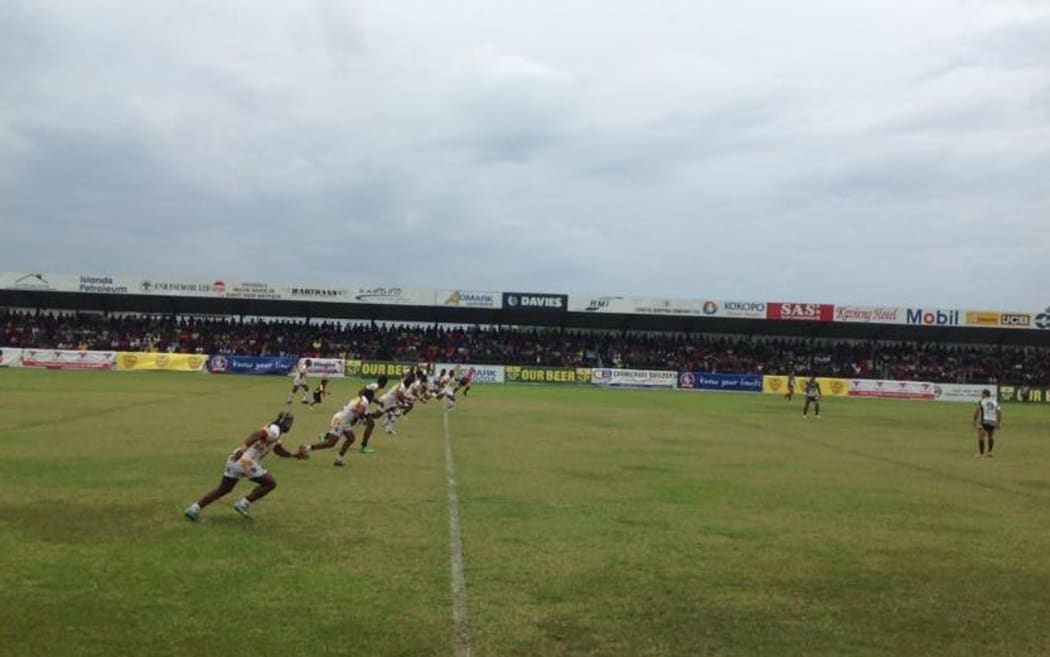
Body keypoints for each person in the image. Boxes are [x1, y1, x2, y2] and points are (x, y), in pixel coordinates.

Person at [184, 411, 302, 521]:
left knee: (223, 489)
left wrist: (294, 455)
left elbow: (278, 450)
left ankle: (194, 508)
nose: (289, 425)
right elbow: (257, 434)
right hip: (245, 461)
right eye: (288, 422)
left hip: (234, 460)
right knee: (270, 483)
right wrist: (243, 449)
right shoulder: (275, 430)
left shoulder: (276, 433)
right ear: (283, 422)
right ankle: (244, 504)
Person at [299, 389, 375, 464]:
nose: (373, 400)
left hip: (345, 421)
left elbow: (356, 410)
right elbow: (359, 412)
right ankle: (306, 448)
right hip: (341, 420)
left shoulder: (359, 398)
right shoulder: (365, 401)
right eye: (372, 398)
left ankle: (339, 459)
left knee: (351, 438)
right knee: (331, 443)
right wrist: (362, 419)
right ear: (370, 397)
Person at [972, 389, 1003, 457]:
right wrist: (998, 422)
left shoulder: (981, 402)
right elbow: (1000, 412)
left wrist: (974, 421)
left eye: (982, 394)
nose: (981, 395)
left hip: (984, 421)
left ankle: (981, 453)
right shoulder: (994, 402)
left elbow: (976, 412)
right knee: (991, 436)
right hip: (992, 421)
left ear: (985, 394)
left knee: (981, 437)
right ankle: (990, 452)